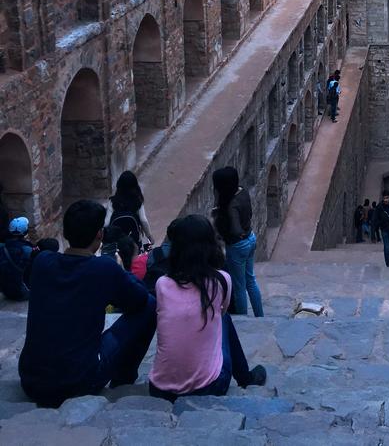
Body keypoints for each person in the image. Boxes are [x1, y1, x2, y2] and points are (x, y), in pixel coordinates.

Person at [18, 199, 156, 407]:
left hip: (31, 379)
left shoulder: (42, 262)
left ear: (65, 234)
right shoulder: (103, 269)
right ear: (99, 235)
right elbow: (139, 301)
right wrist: (121, 272)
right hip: (80, 381)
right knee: (150, 306)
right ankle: (124, 378)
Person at [149, 215, 266, 402]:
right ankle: (245, 377)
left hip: (160, 388)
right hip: (209, 386)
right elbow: (223, 311)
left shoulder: (162, 284)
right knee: (223, 319)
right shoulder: (221, 281)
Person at [211, 167, 264, 317]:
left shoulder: (231, 205)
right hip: (251, 238)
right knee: (251, 281)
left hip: (238, 244)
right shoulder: (242, 192)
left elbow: (235, 229)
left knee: (239, 287)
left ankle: (243, 319)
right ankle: (260, 316)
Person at [108, 170, 153, 251]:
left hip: (116, 242)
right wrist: (150, 236)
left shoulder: (112, 202)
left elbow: (106, 223)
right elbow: (143, 220)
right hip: (134, 241)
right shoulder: (137, 201)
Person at [0, 216, 34, 300]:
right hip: (22, 292)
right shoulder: (27, 250)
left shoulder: (2, 248)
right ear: (25, 232)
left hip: (5, 291)